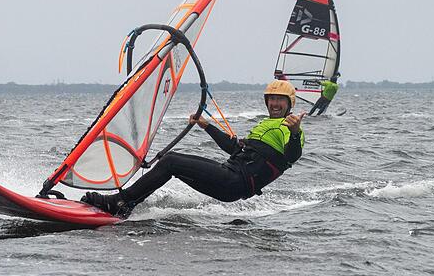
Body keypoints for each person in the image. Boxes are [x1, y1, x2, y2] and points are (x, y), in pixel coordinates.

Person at [81, 79, 306, 218]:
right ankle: (128, 203)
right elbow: (233, 149)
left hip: (235, 182)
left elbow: (291, 157)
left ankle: (119, 202)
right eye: (272, 99)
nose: (275, 104)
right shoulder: (265, 125)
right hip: (229, 178)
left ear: (290, 104)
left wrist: (295, 133)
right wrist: (206, 125)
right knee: (172, 166)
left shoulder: (290, 128)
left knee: (171, 161)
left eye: (281, 100)